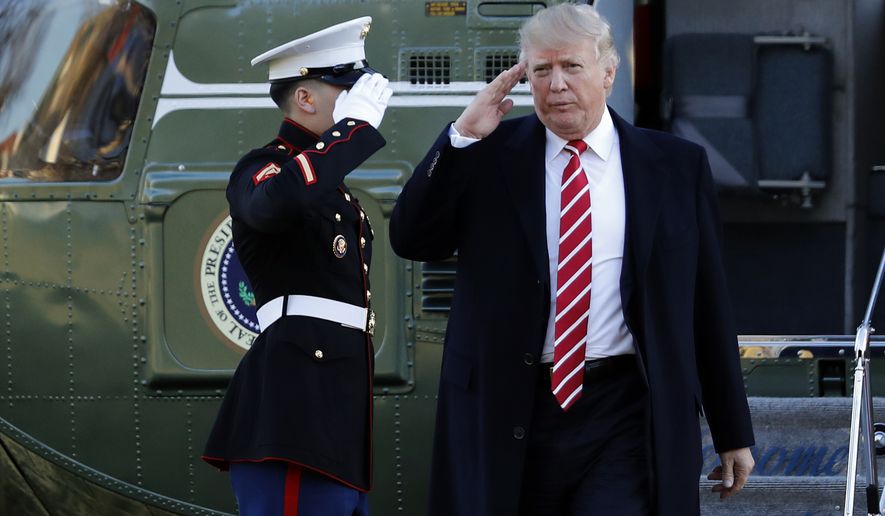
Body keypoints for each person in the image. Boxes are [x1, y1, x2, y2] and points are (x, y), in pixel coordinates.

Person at [388, 4, 755, 516]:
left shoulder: (673, 166)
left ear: (608, 73)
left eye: (571, 67)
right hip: (510, 406)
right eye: (542, 70)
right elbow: (411, 238)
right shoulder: (488, 156)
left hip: (626, 409)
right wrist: (461, 138)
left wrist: (731, 430)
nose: (556, 84)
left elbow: (706, 303)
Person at [201, 17, 392, 516]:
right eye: (345, 89)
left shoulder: (328, 182)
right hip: (291, 423)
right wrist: (354, 130)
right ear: (307, 98)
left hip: (337, 422)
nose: (357, 103)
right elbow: (273, 204)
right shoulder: (263, 166)